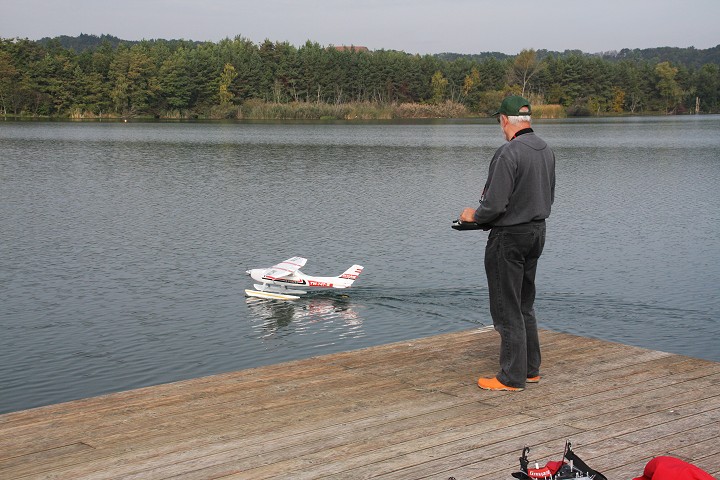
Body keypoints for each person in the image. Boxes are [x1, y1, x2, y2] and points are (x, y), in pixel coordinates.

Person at [459, 95, 555, 391]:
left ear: (504, 120)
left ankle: (511, 377)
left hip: (509, 238)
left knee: (505, 307)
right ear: (526, 119)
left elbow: (494, 204)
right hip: (537, 232)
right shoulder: (545, 149)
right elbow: (547, 197)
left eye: (499, 121)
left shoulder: (508, 152)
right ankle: (529, 369)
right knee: (524, 303)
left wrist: (472, 216)